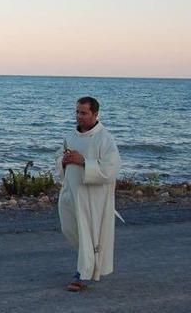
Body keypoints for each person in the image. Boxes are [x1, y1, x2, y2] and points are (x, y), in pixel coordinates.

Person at [56, 96, 121, 292]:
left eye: (83, 113)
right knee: (70, 229)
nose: (79, 116)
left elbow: (111, 169)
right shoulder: (71, 136)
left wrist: (83, 161)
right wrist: (64, 160)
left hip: (91, 198)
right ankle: (89, 262)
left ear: (95, 114)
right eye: (77, 112)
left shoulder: (105, 138)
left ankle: (80, 275)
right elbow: (59, 157)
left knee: (87, 235)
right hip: (70, 193)